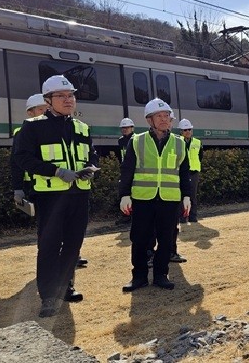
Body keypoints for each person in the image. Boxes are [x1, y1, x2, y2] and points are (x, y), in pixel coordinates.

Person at [13, 75, 98, 317]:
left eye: (70, 95)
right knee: (49, 246)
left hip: (78, 195)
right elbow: (22, 158)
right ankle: (49, 296)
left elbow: (91, 155)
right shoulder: (34, 126)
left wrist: (91, 168)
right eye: (61, 96)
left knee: (73, 245)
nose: (68, 99)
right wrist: (57, 171)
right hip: (50, 196)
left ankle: (66, 286)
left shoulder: (82, 127)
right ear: (48, 100)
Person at [119, 98, 191, 292]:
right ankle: (139, 276)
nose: (163, 119)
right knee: (140, 238)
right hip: (143, 198)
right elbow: (127, 170)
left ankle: (161, 274)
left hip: (169, 199)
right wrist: (124, 194)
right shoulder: (137, 141)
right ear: (149, 120)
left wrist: (187, 196)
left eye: (166, 116)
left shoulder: (179, 143)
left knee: (167, 239)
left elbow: (184, 172)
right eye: (158, 116)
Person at [178, 118, 202, 223]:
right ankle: (182, 218)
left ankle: (193, 217)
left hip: (193, 172)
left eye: (189, 129)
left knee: (193, 196)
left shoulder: (197, 142)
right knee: (181, 195)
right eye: (185, 130)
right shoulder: (177, 142)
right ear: (181, 132)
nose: (187, 131)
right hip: (181, 173)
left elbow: (200, 156)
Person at [115, 117, 135, 226]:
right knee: (124, 192)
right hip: (125, 170)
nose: (125, 130)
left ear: (132, 128)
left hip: (135, 170)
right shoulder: (121, 140)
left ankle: (134, 216)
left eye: (127, 127)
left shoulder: (136, 139)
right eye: (123, 128)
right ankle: (126, 216)